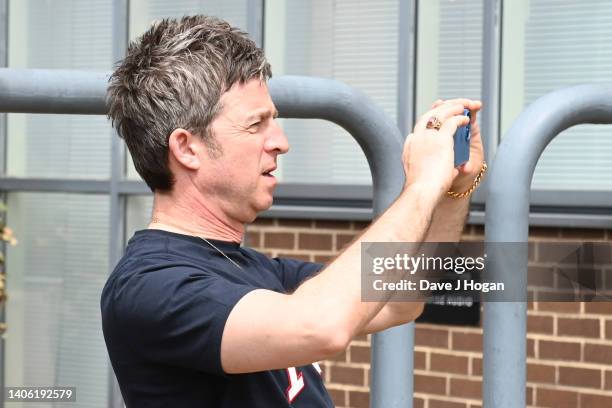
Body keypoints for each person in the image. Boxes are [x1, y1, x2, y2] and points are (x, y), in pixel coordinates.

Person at [101, 15, 485, 408]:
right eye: (256, 125)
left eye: (275, 122)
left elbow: (404, 298)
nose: (281, 142)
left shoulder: (256, 270)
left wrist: (451, 189)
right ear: (187, 148)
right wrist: (422, 184)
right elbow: (321, 326)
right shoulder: (150, 287)